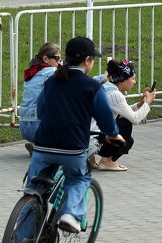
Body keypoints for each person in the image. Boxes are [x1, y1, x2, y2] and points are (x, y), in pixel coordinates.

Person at [27, 36, 122, 235]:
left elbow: (41, 111)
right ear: (87, 60)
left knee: (33, 191)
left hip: (42, 146)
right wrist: (114, 134)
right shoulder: (91, 86)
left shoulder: (52, 80)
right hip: (72, 148)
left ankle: (21, 236)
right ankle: (70, 215)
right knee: (79, 179)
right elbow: (105, 118)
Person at [92, 59, 155, 171]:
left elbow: (124, 110)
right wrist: (148, 103)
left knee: (128, 140)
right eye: (133, 78)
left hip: (88, 134)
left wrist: (141, 103)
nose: (134, 82)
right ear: (123, 79)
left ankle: (91, 159)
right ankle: (106, 161)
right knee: (125, 124)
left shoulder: (107, 86)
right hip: (94, 137)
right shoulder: (115, 94)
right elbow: (135, 119)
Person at [18, 43, 62, 147]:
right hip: (39, 126)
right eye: (57, 58)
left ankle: (40, 147)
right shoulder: (51, 71)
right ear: (46, 59)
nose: (59, 62)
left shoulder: (31, 72)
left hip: (24, 126)